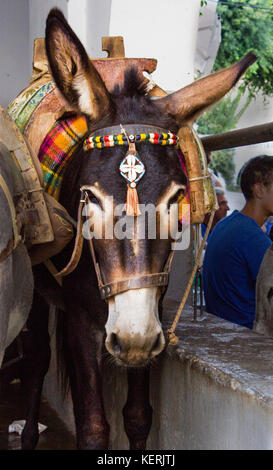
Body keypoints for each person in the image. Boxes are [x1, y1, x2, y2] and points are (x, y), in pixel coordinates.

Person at [203, 155, 273, 329]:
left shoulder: (225, 225)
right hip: (247, 338)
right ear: (259, 190)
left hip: (222, 331)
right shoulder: (252, 237)